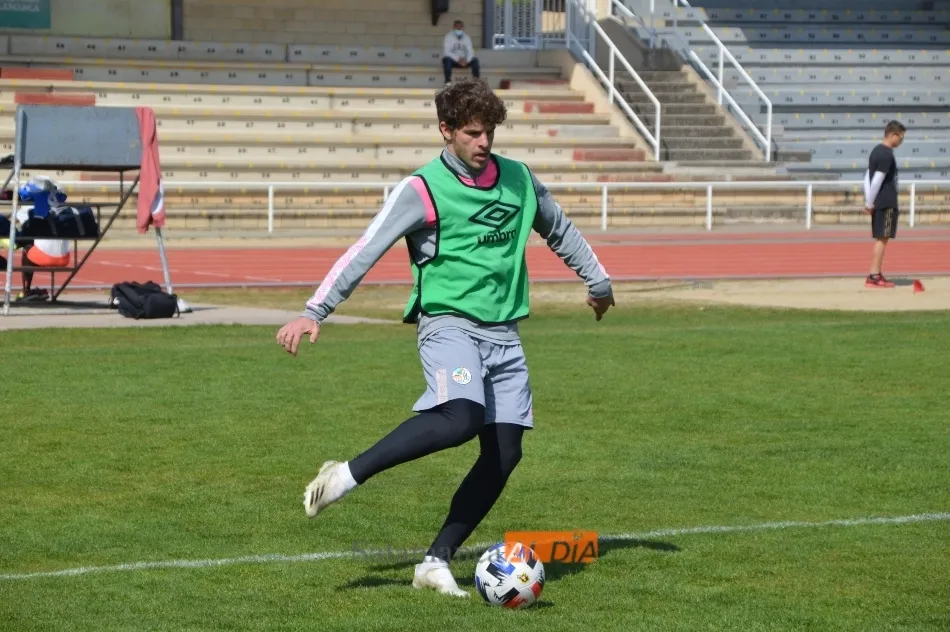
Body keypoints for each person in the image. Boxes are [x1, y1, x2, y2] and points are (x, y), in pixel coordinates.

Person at [275, 78, 614, 598]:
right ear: (446, 130)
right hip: (448, 324)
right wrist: (314, 311)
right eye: (473, 133)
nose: (484, 142)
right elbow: (366, 248)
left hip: (504, 333)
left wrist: (598, 282)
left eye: (490, 132)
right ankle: (344, 475)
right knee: (460, 416)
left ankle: (434, 563)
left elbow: (560, 230)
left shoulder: (520, 179)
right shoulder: (423, 188)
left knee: (505, 454)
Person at [863, 120, 905, 288]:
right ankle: (874, 275)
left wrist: (869, 201)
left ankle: (876, 273)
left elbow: (867, 177)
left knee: (882, 237)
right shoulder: (886, 154)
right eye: (901, 137)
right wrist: (869, 203)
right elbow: (877, 180)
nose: (901, 141)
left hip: (879, 201)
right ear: (892, 134)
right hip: (886, 201)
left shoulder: (876, 151)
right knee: (882, 238)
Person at [442, 20, 480, 85]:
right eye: (457, 27)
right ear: (454, 27)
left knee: (475, 60)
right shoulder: (448, 37)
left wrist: (466, 60)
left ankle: (476, 82)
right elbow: (447, 52)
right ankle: (448, 81)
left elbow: (471, 52)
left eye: (460, 27)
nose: (459, 28)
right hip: (453, 61)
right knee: (447, 59)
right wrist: (458, 59)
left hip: (465, 61)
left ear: (463, 27)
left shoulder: (467, 38)